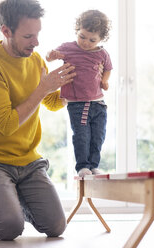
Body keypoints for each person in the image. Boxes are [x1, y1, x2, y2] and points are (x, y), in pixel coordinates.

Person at [0, 0, 76, 241]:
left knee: (56, 226)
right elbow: (5, 125)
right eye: (28, 36)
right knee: (9, 229)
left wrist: (76, 87)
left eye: (37, 34)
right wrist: (43, 89)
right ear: (6, 31)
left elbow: (52, 103)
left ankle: (8, 197)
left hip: (29, 161)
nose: (36, 42)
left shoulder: (35, 60)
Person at [46, 10, 112, 177]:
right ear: (77, 30)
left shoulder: (102, 53)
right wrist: (51, 55)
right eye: (82, 36)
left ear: (101, 39)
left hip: (98, 102)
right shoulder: (68, 48)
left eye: (92, 40)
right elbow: (50, 57)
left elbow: (108, 68)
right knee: (82, 136)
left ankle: (94, 165)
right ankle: (82, 166)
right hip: (78, 102)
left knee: (98, 136)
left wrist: (105, 81)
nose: (86, 42)